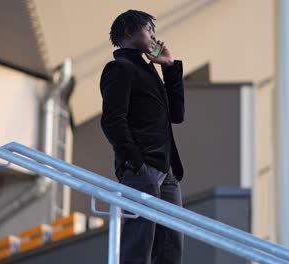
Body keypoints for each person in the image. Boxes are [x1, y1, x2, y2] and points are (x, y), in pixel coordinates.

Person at [100, 9, 185, 264]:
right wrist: (135, 162)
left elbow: (177, 115)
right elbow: (113, 120)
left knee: (171, 245)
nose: (154, 36)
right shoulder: (119, 68)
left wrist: (169, 67)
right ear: (129, 33)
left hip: (167, 168)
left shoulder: (150, 70)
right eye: (148, 29)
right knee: (139, 242)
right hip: (143, 169)